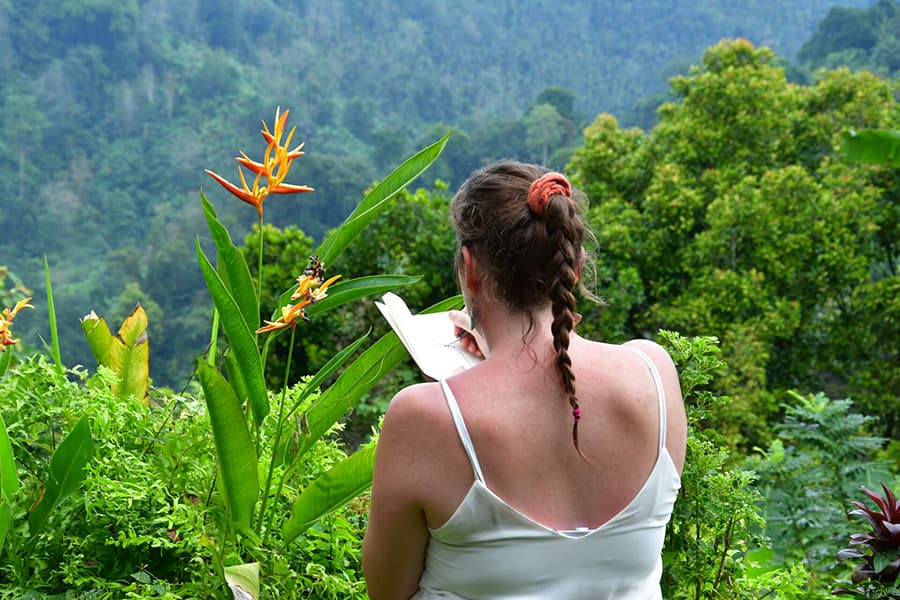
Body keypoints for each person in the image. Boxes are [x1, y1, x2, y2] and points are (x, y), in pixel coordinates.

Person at [362, 160, 687, 599]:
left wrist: (468, 384)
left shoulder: (424, 419)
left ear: (469, 267)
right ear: (575, 265)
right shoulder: (654, 375)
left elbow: (387, 591)